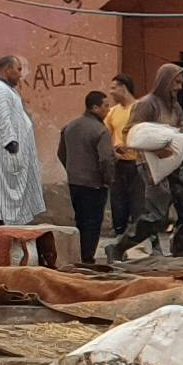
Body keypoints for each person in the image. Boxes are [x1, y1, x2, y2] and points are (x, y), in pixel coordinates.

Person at [110, 64, 183, 257]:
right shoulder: (147, 104)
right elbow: (131, 132)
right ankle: (118, 247)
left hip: (174, 165)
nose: (179, 87)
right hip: (152, 167)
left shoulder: (175, 107)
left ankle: (180, 252)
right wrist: (158, 148)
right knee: (157, 217)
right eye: (176, 82)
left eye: (181, 83)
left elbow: (180, 129)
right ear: (165, 81)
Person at [0, 53, 44, 227]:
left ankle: (2, 224)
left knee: (3, 193)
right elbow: (1, 118)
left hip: (6, 150)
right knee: (5, 194)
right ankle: (0, 227)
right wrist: (10, 143)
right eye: (18, 69)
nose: (21, 74)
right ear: (8, 69)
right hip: (6, 151)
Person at [56, 87, 115, 261]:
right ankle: (87, 258)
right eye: (105, 105)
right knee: (92, 223)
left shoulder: (69, 126)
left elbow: (61, 153)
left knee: (80, 220)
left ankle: (79, 256)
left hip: (75, 182)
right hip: (94, 183)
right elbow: (106, 159)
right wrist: (108, 179)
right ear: (94, 108)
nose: (108, 109)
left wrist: (71, 169)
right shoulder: (100, 130)